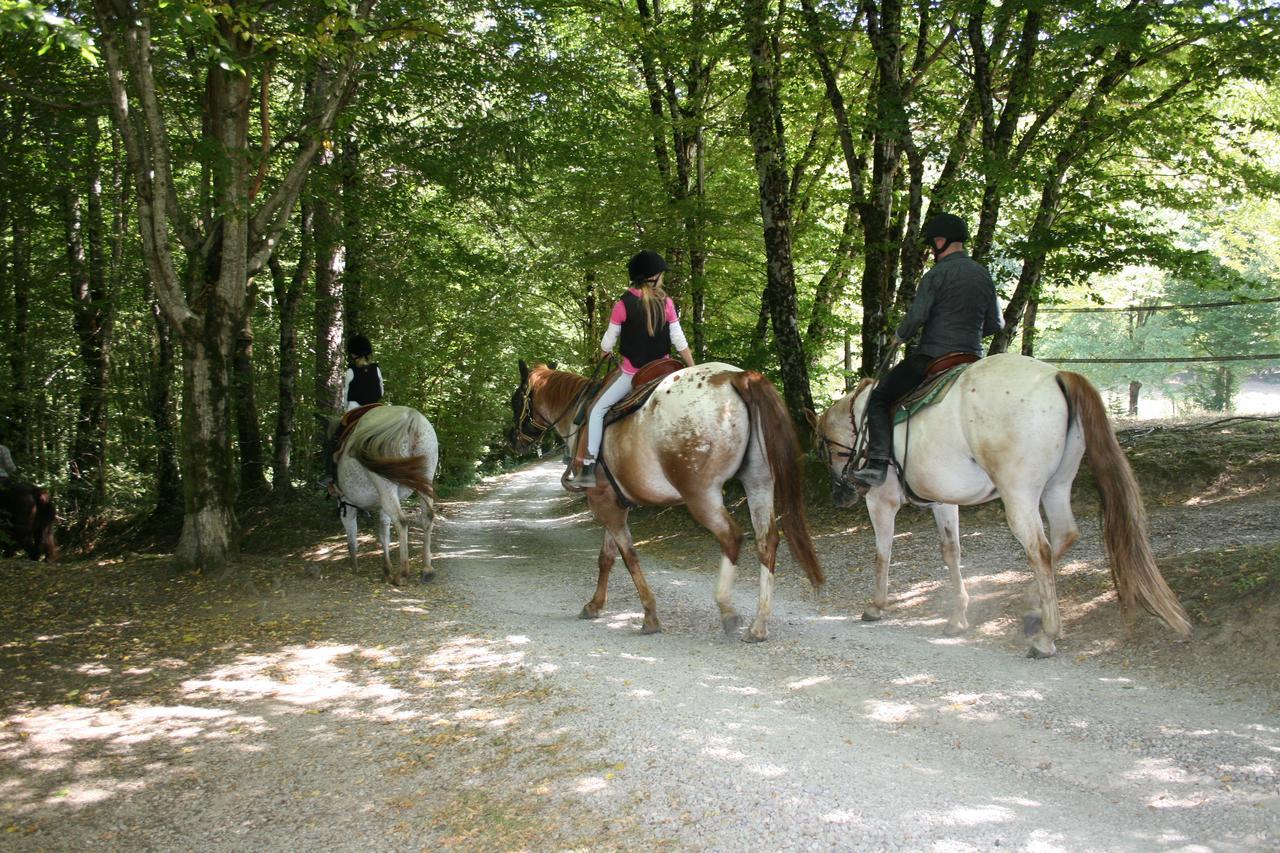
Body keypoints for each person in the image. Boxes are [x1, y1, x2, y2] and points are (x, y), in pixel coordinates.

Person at [852, 213, 1003, 488]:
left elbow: (917, 317)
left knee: (879, 398)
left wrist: (900, 336)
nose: (932, 250)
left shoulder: (936, 274)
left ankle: (876, 465)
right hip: (972, 358)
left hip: (934, 357)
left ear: (941, 241)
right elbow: (996, 323)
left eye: (932, 244)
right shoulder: (983, 274)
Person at [567, 250, 696, 489]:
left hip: (633, 374)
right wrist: (693, 368)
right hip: (665, 372)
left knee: (596, 410)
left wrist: (606, 350)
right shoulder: (667, 303)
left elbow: (608, 342)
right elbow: (680, 341)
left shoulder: (622, 304)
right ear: (653, 276)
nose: (663, 278)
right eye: (661, 274)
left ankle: (588, 467)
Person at [324, 334, 385, 496]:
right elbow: (381, 391)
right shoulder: (376, 368)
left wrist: (347, 411)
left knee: (334, 440)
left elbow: (346, 397)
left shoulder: (350, 371)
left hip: (355, 411)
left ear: (353, 353)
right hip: (376, 410)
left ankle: (330, 478)